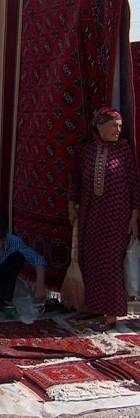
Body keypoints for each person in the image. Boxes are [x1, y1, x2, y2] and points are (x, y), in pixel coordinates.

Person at [68, 106, 140, 324]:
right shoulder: (87, 150)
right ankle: (95, 306)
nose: (118, 130)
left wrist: (134, 216)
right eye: (113, 126)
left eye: (120, 126)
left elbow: (134, 184)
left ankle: (112, 312)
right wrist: (71, 204)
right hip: (91, 213)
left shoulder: (124, 151)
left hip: (117, 216)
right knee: (90, 259)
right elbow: (76, 178)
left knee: (110, 262)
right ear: (99, 127)